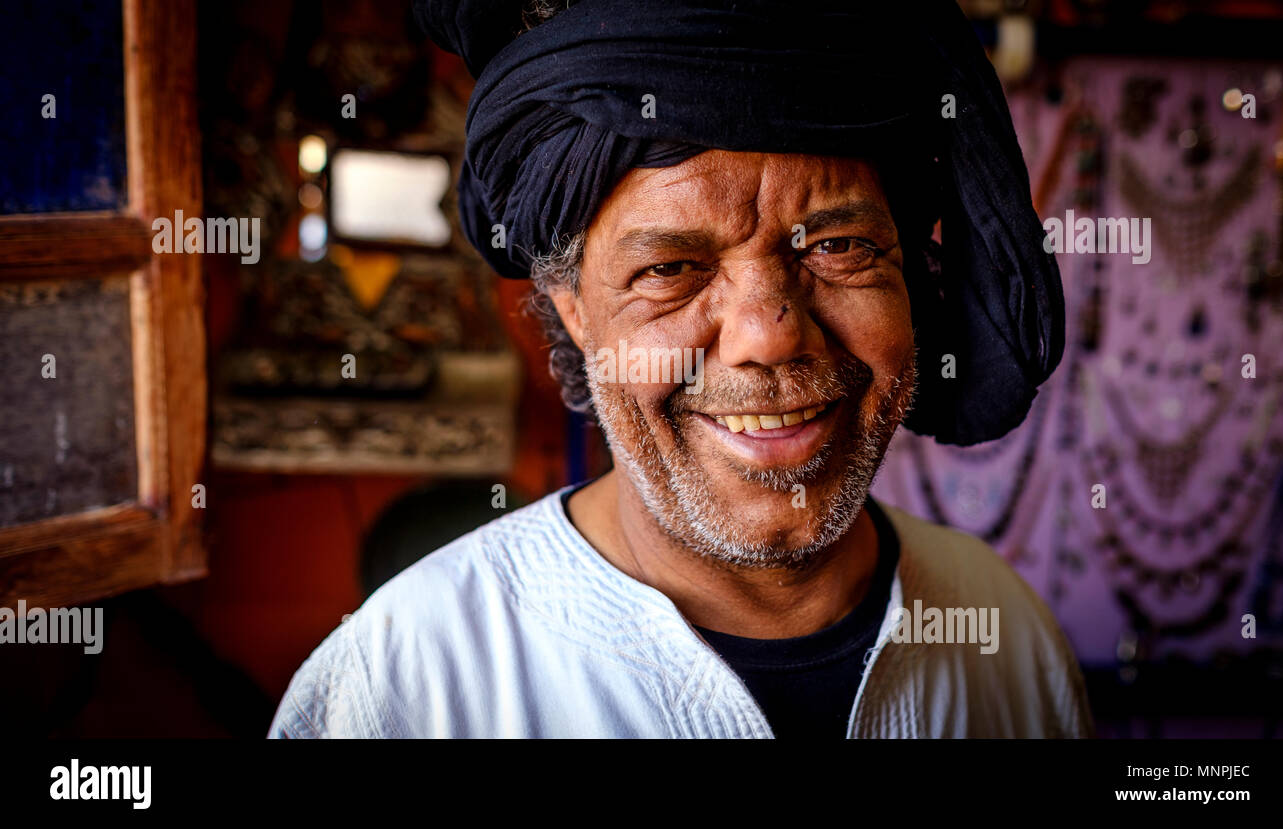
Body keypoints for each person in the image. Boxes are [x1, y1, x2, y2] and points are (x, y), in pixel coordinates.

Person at [269, 0, 1093, 738]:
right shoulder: (401, 696)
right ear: (576, 310)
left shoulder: (1005, 635)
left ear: (912, 277)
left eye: (839, 247)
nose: (767, 337)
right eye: (671, 268)